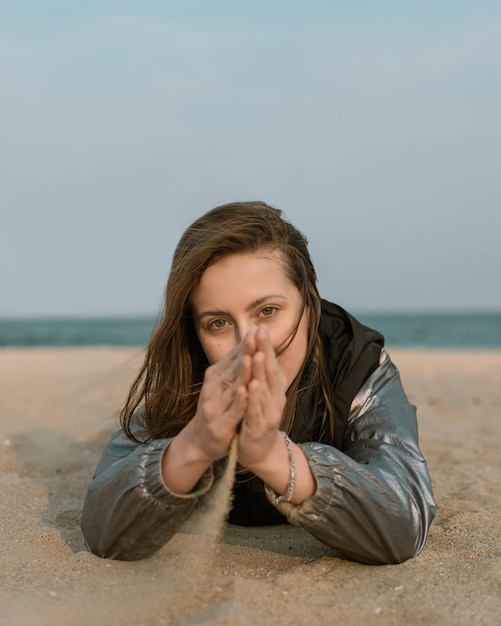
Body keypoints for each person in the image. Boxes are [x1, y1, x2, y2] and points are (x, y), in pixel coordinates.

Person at [81, 201, 435, 565]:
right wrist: (195, 444)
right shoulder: (187, 373)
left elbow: (403, 524)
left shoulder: (357, 364)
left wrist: (271, 455)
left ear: (309, 302)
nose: (249, 345)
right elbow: (104, 531)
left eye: (267, 312)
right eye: (218, 323)